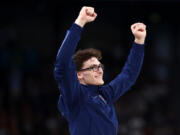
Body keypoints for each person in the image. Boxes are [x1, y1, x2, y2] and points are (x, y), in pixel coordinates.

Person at [54, 6, 146, 135]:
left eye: (100, 66)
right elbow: (62, 64)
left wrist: (139, 41)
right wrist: (80, 21)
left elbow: (128, 75)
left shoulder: (105, 95)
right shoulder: (75, 95)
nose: (100, 70)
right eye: (93, 67)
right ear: (79, 75)